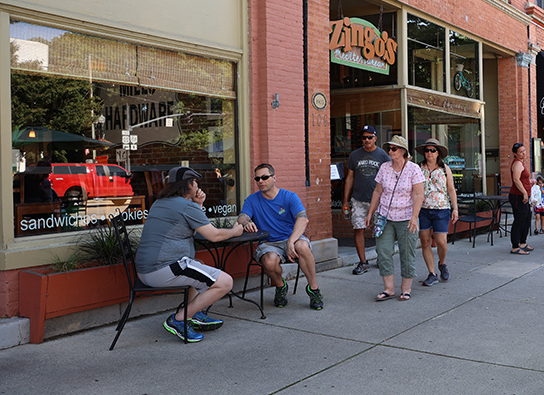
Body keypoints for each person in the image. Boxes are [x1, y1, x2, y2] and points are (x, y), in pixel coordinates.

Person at [135, 167, 243, 343]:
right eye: (195, 181)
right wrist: (235, 231)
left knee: (197, 263)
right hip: (164, 268)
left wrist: (198, 205)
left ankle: (194, 314)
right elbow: (214, 236)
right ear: (188, 185)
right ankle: (178, 320)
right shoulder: (185, 206)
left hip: (146, 271)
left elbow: (189, 228)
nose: (198, 185)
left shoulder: (160, 202)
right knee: (225, 282)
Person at [238, 163, 323, 310]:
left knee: (302, 246)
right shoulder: (252, 200)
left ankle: (313, 289)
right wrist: (246, 222)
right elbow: (241, 218)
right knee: (270, 262)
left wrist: (291, 241)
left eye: (264, 177)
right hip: (269, 243)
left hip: (291, 238)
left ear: (274, 177)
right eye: (257, 179)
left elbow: (303, 219)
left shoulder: (289, 197)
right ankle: (281, 286)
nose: (261, 181)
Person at [366, 136, 425, 301]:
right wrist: (371, 213)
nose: (390, 151)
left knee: (407, 253)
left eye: (394, 149)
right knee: (383, 251)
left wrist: (414, 217)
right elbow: (377, 191)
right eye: (389, 148)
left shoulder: (414, 169)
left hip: (406, 217)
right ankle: (389, 289)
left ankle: (406, 289)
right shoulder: (384, 168)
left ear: (403, 151)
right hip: (385, 216)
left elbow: (418, 194)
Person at [342, 125, 390, 275]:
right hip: (358, 199)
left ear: (375, 138)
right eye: (364, 137)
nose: (367, 140)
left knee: (381, 231)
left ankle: (381, 258)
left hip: (378, 200)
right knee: (358, 229)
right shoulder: (355, 155)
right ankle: (363, 262)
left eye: (370, 137)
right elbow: (349, 178)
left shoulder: (383, 156)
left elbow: (388, 177)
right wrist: (345, 201)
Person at [416, 137, 458, 286]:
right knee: (425, 241)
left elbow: (451, 189)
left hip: (442, 209)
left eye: (432, 150)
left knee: (441, 242)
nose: (429, 153)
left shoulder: (445, 169)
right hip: (423, 210)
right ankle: (432, 273)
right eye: (427, 150)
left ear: (438, 152)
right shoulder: (418, 168)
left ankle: (442, 262)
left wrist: (455, 209)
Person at [508, 142, 534, 255]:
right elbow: (516, 180)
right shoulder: (517, 164)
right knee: (519, 220)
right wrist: (524, 192)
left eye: (524, 151)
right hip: (518, 196)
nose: (523, 153)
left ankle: (523, 243)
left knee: (527, 218)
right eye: (520, 152)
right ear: (515, 153)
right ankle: (515, 246)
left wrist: (530, 184)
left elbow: (523, 180)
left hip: (524, 196)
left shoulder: (522, 163)